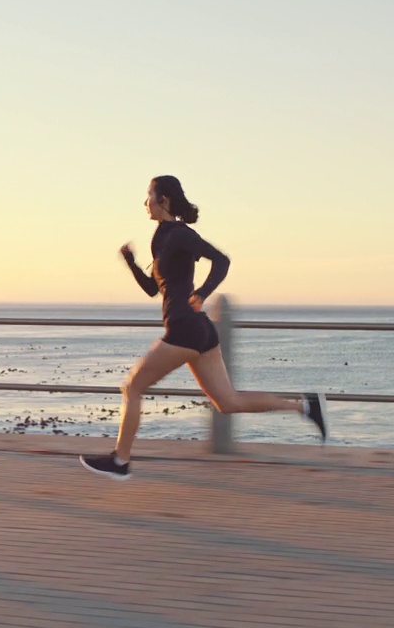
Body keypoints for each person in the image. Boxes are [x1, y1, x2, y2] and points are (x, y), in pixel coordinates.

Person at [79, 175, 327, 480]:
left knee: (133, 386)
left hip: (184, 328)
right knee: (228, 403)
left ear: (164, 201)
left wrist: (204, 293)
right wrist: (131, 262)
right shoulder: (160, 238)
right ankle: (304, 406)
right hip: (199, 331)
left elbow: (221, 260)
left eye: (149, 197)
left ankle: (121, 461)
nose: (145, 203)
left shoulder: (182, 235)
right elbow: (153, 290)